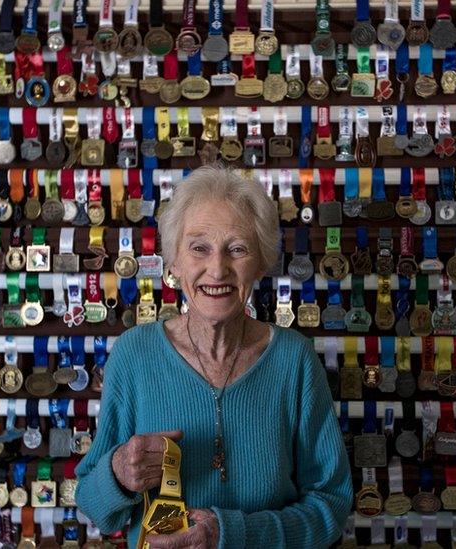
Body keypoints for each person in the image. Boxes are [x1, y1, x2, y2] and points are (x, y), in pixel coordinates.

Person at [76, 166, 353, 549]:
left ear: (260, 262)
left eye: (237, 249)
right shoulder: (133, 355)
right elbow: (92, 505)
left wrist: (234, 533)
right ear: (173, 263)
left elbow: (331, 506)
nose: (218, 268)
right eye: (199, 248)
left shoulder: (295, 361)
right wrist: (119, 473)